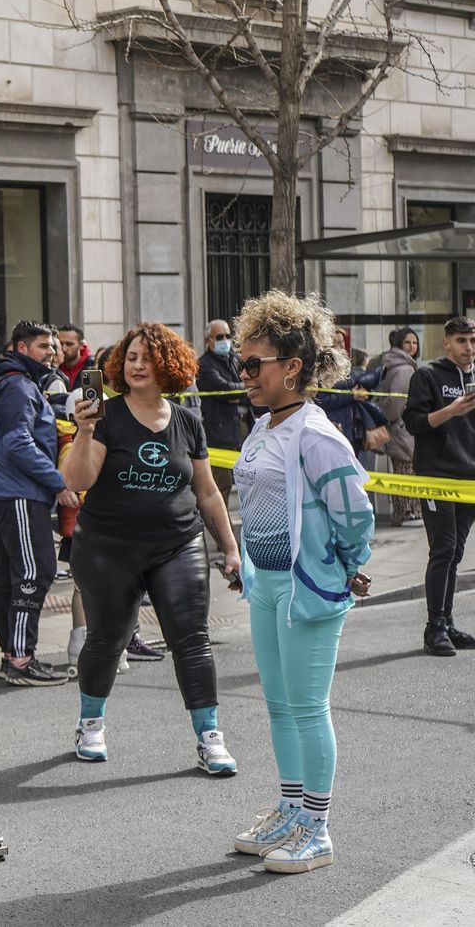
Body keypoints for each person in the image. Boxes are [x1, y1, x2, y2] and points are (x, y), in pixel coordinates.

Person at [228, 290, 373, 873]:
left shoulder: (316, 434)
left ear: (292, 368)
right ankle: (292, 807)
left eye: (252, 363)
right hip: (267, 582)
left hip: (305, 587)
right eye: (242, 363)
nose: (243, 374)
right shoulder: (265, 426)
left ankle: (317, 826)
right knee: (280, 707)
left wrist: (345, 564)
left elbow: (354, 513)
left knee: (309, 708)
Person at [63, 323, 242, 772]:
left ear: (169, 366)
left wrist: (231, 548)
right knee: (108, 638)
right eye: (131, 357)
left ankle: (210, 736)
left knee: (192, 640)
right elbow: (76, 481)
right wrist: (84, 432)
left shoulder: (188, 422)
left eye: (147, 357)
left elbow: (207, 493)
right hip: (108, 548)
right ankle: (91, 722)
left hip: (177, 545)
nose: (138, 365)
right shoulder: (105, 416)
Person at [0, 320, 77, 687]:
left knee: (11, 575)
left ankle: (13, 655)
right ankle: (21, 659)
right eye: (43, 347)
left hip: (13, 492)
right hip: (19, 493)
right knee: (36, 571)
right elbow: (18, 443)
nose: (51, 353)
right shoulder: (19, 386)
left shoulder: (17, 383)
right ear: (21, 349)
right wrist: (58, 483)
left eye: (53, 348)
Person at [404, 315, 475, 657]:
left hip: (469, 478)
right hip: (437, 475)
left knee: (456, 551)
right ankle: (434, 627)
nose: (468, 348)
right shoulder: (428, 375)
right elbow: (414, 424)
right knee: (443, 548)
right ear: (446, 342)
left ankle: (446, 622)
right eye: (462, 341)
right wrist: (450, 411)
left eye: (473, 341)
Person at [196, 320, 254, 515]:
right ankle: (223, 537)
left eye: (228, 336)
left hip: (243, 431)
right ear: (208, 340)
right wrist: (240, 392)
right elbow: (225, 389)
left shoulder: (236, 360)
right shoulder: (204, 365)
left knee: (249, 483)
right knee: (221, 487)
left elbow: (251, 387)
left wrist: (241, 394)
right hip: (219, 435)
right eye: (220, 337)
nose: (225, 340)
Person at [377, 327, 421, 526]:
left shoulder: (393, 364)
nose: (412, 346)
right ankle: (408, 513)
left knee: (402, 470)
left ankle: (402, 513)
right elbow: (396, 404)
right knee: (407, 471)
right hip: (403, 430)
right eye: (407, 343)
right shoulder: (405, 369)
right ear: (399, 345)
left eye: (415, 342)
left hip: (398, 429)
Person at [56, 324, 91, 388]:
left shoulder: (93, 365)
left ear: (81, 345)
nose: (64, 349)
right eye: (60, 344)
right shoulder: (52, 365)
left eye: (69, 344)